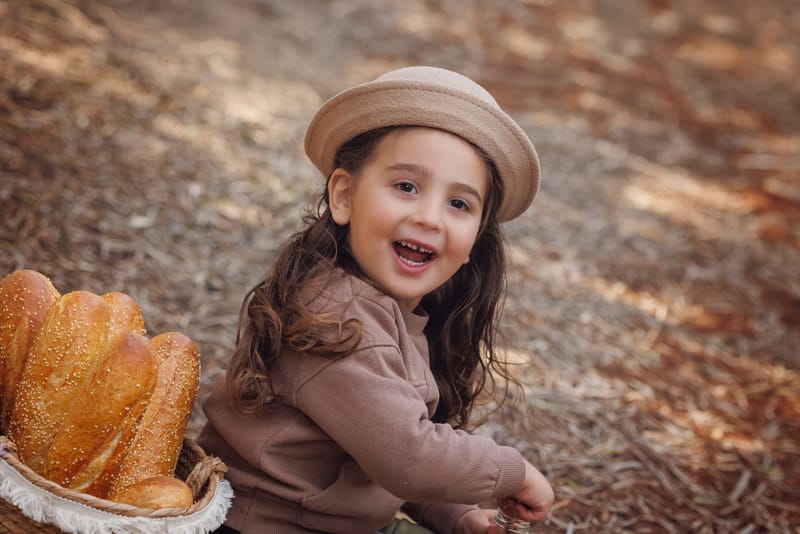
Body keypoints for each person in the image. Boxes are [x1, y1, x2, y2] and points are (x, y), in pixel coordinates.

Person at [198, 66, 555, 534]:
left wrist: (456, 515)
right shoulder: (333, 319)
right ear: (344, 196)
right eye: (406, 186)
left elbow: (376, 459)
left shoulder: (396, 319)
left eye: (459, 203)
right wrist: (515, 471)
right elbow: (406, 456)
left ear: (474, 243)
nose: (429, 217)